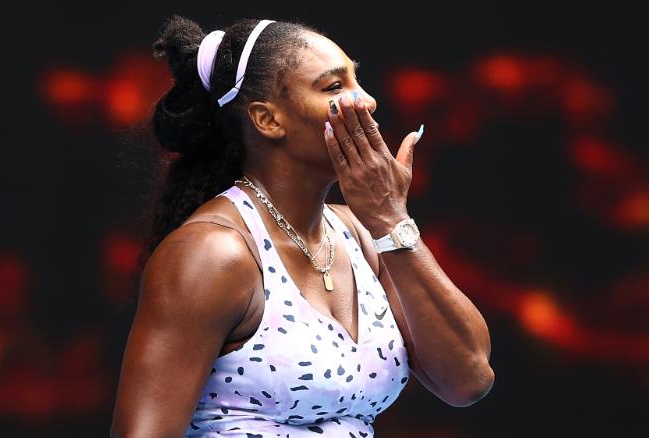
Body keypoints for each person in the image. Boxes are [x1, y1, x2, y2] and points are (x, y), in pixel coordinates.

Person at [110, 15, 495, 437]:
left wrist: (392, 222)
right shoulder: (215, 253)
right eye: (334, 87)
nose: (366, 101)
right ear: (268, 120)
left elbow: (468, 380)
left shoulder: (364, 236)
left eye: (356, 80)